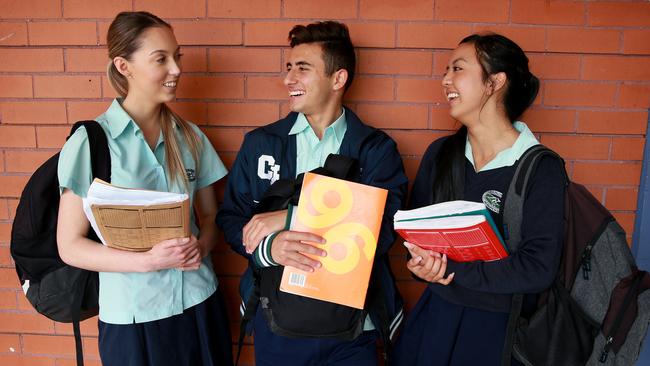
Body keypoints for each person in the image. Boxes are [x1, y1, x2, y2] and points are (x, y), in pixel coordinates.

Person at [216, 21, 408, 366]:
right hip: (276, 322)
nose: (288, 79)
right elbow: (232, 219)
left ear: (338, 79)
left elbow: (383, 228)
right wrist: (270, 246)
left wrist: (289, 218)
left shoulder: (375, 149)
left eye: (302, 69)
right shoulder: (262, 143)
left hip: (354, 329)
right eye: (288, 68)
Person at [56, 11, 233, 366]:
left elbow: (212, 217)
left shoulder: (190, 137)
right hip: (135, 318)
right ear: (124, 66)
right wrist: (148, 261)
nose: (177, 69)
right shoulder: (91, 143)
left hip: (200, 303)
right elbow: (70, 246)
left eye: (177, 57)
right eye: (161, 59)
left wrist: (201, 245)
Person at [391, 33, 566, 366]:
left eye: (458, 68)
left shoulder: (540, 168)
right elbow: (414, 235)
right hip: (435, 321)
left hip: (499, 332)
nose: (445, 80)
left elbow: (538, 268)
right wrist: (421, 266)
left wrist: (452, 270)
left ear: (494, 82)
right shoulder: (441, 154)